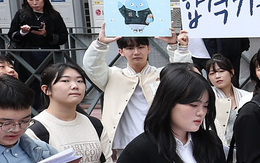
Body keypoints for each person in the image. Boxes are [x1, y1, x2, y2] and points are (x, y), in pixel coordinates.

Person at [81, 25, 193, 153]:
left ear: (148, 49)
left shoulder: (161, 75)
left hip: (162, 141)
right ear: (121, 52)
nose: (136, 52)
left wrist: (176, 47)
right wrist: (100, 44)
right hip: (126, 144)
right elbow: (91, 67)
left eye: (140, 47)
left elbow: (182, 73)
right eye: (129, 48)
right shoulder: (112, 76)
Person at [8, 0, 69, 74]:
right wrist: (22, 32)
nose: (34, 3)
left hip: (48, 55)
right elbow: (11, 35)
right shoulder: (21, 14)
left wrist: (46, 34)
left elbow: (63, 37)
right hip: (26, 56)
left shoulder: (54, 15)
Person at [206, 53, 252, 151]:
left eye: (221, 71)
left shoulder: (247, 96)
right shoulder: (206, 97)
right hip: (218, 150)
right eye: (212, 73)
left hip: (245, 149)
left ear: (231, 72)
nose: (217, 76)